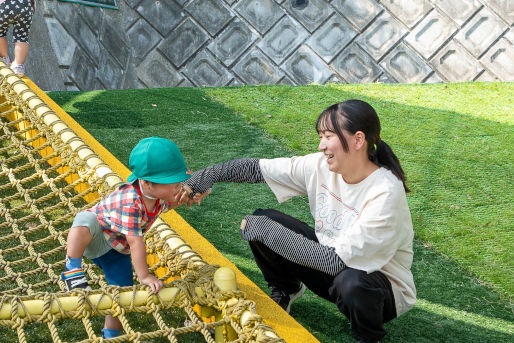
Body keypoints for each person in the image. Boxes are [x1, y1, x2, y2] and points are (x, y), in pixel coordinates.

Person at [184, 100, 416, 343]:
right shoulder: (320, 165)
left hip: (379, 289)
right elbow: (257, 169)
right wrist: (204, 178)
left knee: (350, 283)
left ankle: (368, 337)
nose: (321, 145)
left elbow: (336, 263)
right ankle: (286, 288)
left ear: (358, 140)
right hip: (333, 265)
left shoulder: (385, 192)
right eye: (321, 136)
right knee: (264, 219)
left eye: (328, 136)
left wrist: (269, 233)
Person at [61, 137, 192, 340]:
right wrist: (145, 276)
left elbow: (173, 201)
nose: (178, 186)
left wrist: (191, 195)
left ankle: (110, 336)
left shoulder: (156, 197)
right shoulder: (131, 202)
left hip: (117, 251)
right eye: (171, 182)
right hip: (97, 238)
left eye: (178, 181)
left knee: (121, 297)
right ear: (147, 183)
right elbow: (135, 241)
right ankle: (72, 267)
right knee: (85, 219)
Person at [0, 0, 35, 76]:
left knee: (0, 32)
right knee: (22, 37)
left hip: (5, 5)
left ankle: (4, 59)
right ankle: (18, 66)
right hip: (26, 6)